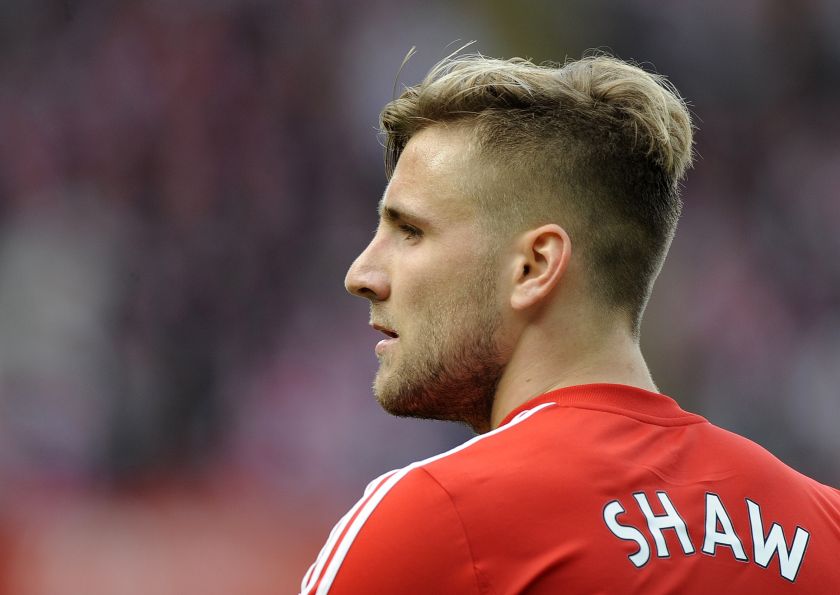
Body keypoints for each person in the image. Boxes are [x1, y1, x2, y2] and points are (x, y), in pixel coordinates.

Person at [299, 51, 840, 594]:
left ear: (534, 266)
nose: (361, 273)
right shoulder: (826, 528)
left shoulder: (435, 519)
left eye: (410, 231)